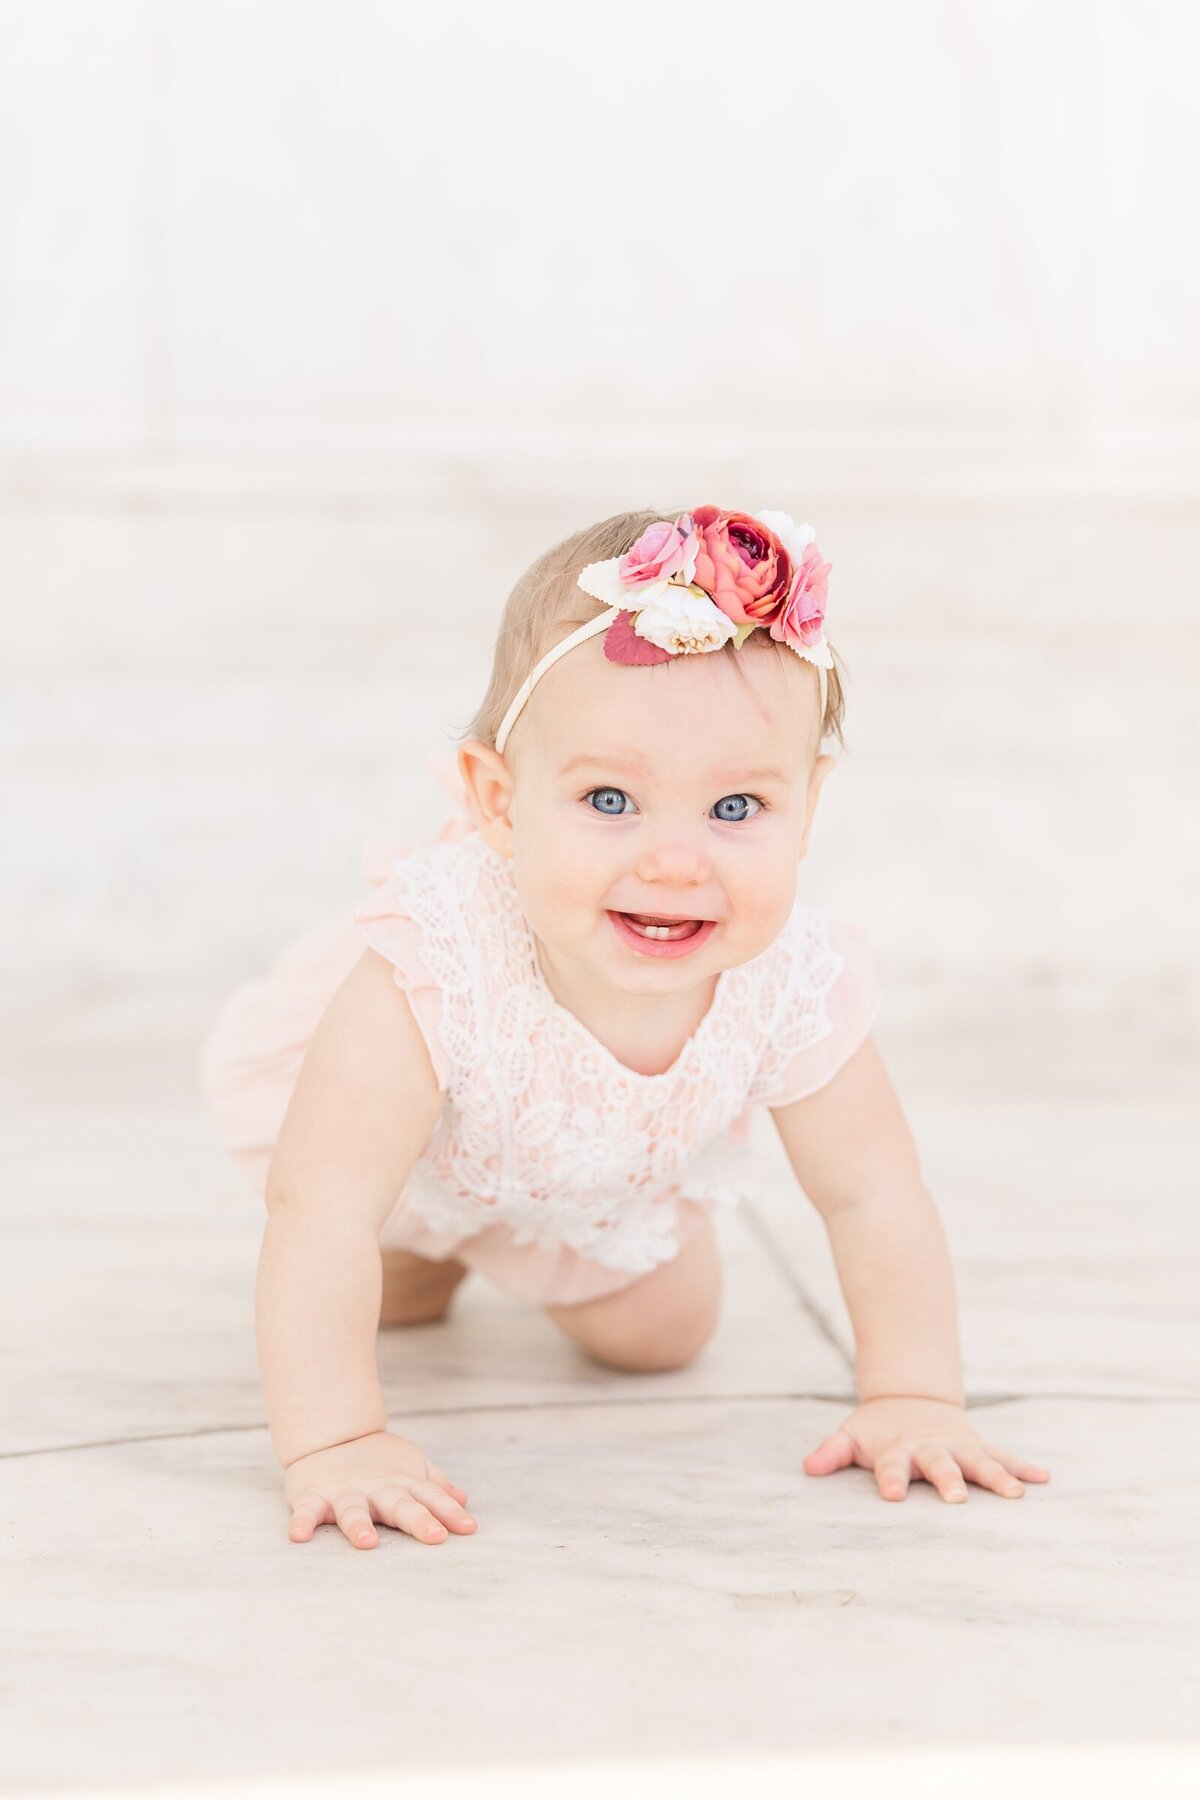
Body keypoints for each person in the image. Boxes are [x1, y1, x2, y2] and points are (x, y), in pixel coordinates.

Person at [200, 504, 1050, 1551]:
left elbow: (872, 1191)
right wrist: (335, 1442)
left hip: (588, 1175)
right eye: (610, 799)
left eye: (736, 809)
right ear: (499, 803)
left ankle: (486, 1245)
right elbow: (320, 1204)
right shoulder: (437, 957)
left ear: (809, 805)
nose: (675, 862)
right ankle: (434, 1252)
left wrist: (917, 1393)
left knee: (664, 1337)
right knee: (377, 1245)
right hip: (405, 1150)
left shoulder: (791, 977)